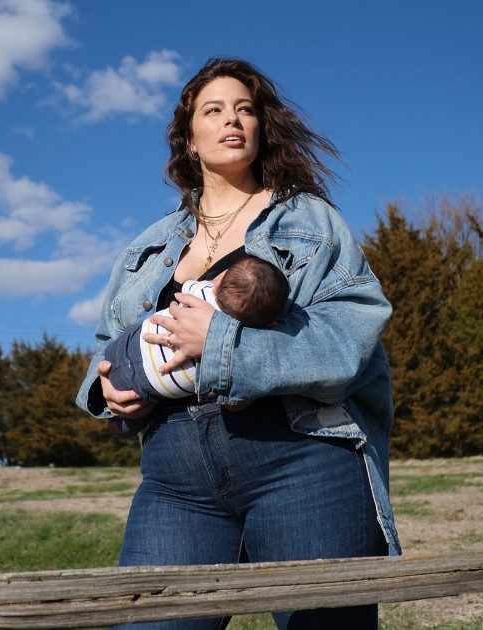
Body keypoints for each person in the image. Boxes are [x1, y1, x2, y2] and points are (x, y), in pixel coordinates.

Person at [76, 57, 399, 629]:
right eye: (214, 110)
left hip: (300, 458)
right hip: (176, 473)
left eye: (245, 110)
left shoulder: (309, 222)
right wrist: (109, 390)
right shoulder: (148, 247)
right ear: (189, 139)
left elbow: (350, 341)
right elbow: (112, 339)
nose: (233, 120)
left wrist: (221, 342)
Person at [103, 254, 289, 437]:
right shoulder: (238, 344)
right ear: (269, 325)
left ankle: (117, 424)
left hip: (131, 344)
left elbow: (187, 286)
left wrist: (211, 285)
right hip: (148, 386)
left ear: (218, 283)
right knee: (133, 418)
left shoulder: (203, 293)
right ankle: (125, 426)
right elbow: (233, 404)